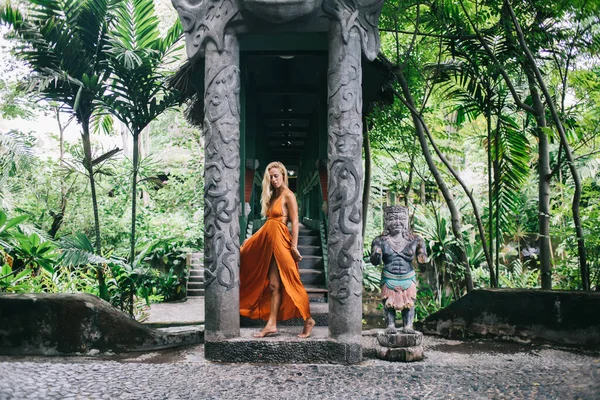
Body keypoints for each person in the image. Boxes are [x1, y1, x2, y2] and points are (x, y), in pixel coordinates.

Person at [240, 161, 316, 338]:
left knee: (292, 281)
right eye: (271, 177)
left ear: (283, 175)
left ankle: (308, 319)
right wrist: (251, 239)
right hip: (269, 242)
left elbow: (295, 222)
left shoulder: (289, 195)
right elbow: (269, 224)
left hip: (282, 242)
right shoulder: (272, 196)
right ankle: (271, 324)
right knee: (274, 286)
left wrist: (294, 246)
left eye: (277, 176)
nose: (274, 180)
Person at [370, 205, 427, 334]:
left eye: (401, 218)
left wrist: (422, 257)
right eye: (392, 219)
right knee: (388, 304)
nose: (397, 222)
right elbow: (374, 262)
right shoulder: (379, 240)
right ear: (386, 220)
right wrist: (377, 254)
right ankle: (390, 325)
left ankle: (408, 326)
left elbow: (423, 260)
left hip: (408, 276)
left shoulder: (416, 240)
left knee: (409, 303)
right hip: (389, 276)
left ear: (406, 220)